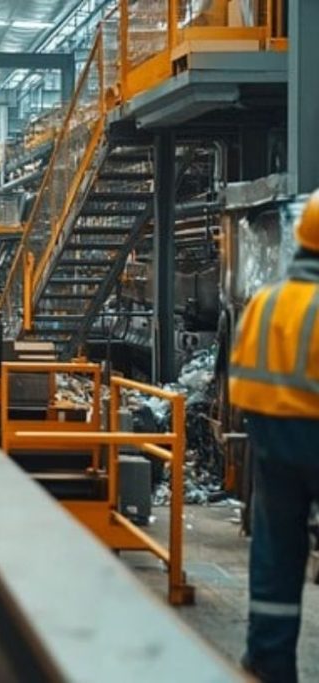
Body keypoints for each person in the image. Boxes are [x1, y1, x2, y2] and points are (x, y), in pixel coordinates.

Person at [229, 188, 319, 683]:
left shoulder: (264, 302)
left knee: (277, 550)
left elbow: (238, 371)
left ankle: (268, 658)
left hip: (268, 438)